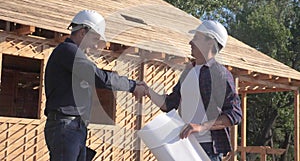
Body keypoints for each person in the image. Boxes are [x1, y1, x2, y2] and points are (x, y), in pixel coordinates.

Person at [44, 10, 145, 161]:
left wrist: (133, 84)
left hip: (73, 126)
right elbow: (99, 77)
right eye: (95, 38)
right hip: (66, 126)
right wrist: (132, 86)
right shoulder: (68, 51)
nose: (96, 44)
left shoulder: (73, 54)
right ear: (83, 32)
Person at [142, 20, 242, 161]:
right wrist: (148, 91)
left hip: (207, 148)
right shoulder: (188, 71)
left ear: (209, 42)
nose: (190, 42)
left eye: (196, 38)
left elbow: (234, 114)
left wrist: (201, 127)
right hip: (184, 144)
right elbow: (169, 104)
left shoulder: (219, 74)